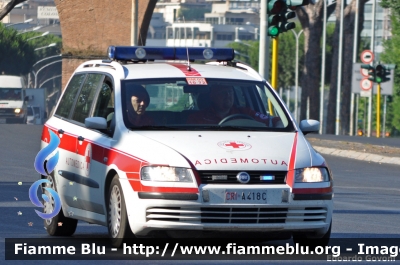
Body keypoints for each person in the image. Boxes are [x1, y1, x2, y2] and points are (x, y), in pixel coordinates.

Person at [188, 84, 281, 126]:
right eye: (223, 93)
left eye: (230, 92)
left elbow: (271, 121)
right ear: (212, 96)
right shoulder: (198, 118)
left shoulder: (246, 113)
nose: (228, 95)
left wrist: (279, 124)